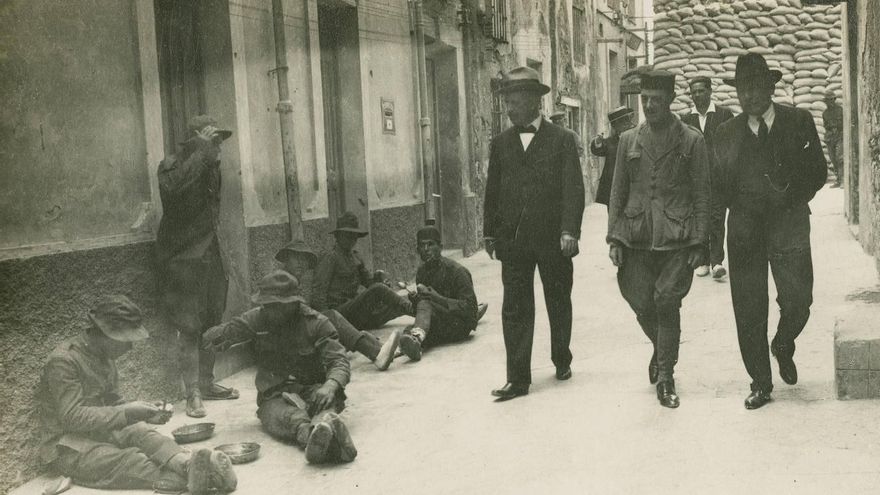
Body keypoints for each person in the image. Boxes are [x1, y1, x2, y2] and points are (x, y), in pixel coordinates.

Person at [714, 53, 827, 410]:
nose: (749, 96)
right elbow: (716, 189)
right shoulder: (725, 134)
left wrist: (791, 196)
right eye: (743, 89)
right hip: (745, 229)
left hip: (789, 223)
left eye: (756, 87)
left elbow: (819, 172)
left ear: (770, 86)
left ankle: (783, 342)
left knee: (799, 300)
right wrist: (714, 242)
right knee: (748, 307)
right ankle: (760, 382)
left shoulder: (798, 121)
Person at [36, 295, 237, 494]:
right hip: (68, 447)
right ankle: (200, 474)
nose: (130, 346)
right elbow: (72, 418)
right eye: (125, 340)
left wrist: (144, 413)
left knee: (142, 432)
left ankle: (186, 463)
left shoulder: (104, 356)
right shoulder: (63, 361)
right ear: (106, 334)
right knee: (129, 460)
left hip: (100, 432)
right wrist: (126, 411)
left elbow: (113, 402)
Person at [607, 70, 710, 409]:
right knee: (638, 298)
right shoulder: (628, 141)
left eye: (656, 100)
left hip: (677, 237)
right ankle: (661, 346)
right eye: (644, 99)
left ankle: (665, 376)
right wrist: (615, 238)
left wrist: (699, 242)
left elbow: (702, 194)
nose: (649, 105)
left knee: (667, 301)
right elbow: (618, 192)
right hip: (637, 236)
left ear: (670, 102)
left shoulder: (691, 140)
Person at [483, 66, 585, 401]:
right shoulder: (500, 144)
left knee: (557, 299)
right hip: (513, 242)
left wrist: (570, 231)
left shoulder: (562, 140)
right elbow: (492, 191)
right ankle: (518, 378)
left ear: (533, 102)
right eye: (507, 102)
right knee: (515, 307)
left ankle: (561, 357)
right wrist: (490, 234)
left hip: (553, 240)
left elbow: (573, 189)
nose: (509, 108)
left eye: (514, 101)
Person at [203, 271, 357, 464]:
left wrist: (330, 385)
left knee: (328, 404)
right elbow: (218, 334)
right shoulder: (258, 318)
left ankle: (322, 429)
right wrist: (219, 338)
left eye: (274, 306)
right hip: (274, 393)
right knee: (283, 416)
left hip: (314, 390)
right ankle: (314, 437)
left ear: (293, 304)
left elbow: (339, 361)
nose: (268, 310)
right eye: (265, 305)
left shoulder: (317, 323)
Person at [155, 115, 239, 418]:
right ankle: (191, 394)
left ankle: (206, 383)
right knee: (189, 327)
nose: (218, 147)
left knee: (212, 323)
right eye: (212, 141)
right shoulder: (171, 166)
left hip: (212, 256)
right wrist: (202, 153)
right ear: (195, 142)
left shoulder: (211, 167)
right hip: (183, 260)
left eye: (217, 142)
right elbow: (174, 194)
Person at [275, 240, 400, 371]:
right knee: (331, 317)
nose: (301, 263)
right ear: (286, 259)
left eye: (304, 259)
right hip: (285, 344)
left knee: (336, 330)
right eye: (296, 258)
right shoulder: (280, 280)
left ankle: (380, 349)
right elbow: (287, 317)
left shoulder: (291, 280)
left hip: (294, 337)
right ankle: (377, 353)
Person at [396, 221, 487, 361]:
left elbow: (471, 310)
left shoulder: (458, 271)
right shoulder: (422, 272)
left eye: (431, 244)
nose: (426, 249)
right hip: (440, 322)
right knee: (410, 330)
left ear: (441, 247)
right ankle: (414, 342)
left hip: (460, 326)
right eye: (422, 245)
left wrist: (437, 298)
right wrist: (415, 301)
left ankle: (414, 340)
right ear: (417, 250)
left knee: (419, 320)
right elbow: (423, 311)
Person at [311, 211, 413, 330]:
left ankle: (424, 313)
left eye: (354, 236)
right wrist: (327, 323)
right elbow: (318, 293)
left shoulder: (355, 257)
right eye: (348, 235)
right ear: (338, 236)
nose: (352, 239)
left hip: (355, 312)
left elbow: (370, 283)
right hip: (339, 313)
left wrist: (378, 278)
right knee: (379, 290)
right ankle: (414, 310)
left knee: (394, 305)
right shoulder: (330, 257)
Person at [682, 76, 736, 279]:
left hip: (718, 178)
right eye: (694, 92)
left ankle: (717, 261)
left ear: (710, 91)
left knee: (716, 217)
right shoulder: (686, 120)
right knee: (698, 218)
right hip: (695, 180)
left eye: (701, 91)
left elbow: (733, 146)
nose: (697, 95)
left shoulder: (724, 115)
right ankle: (702, 260)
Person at [591, 106, 636, 207]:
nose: (629, 124)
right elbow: (598, 150)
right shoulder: (610, 142)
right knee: (614, 217)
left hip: (632, 187)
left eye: (627, 121)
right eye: (614, 125)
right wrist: (597, 142)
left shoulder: (637, 138)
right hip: (612, 187)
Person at [823, 89, 844, 187]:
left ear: (834, 100)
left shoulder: (840, 110)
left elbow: (843, 123)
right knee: (833, 159)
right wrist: (830, 128)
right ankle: (838, 180)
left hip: (839, 136)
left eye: (830, 100)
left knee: (840, 157)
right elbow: (825, 125)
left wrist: (836, 126)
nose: (829, 102)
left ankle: (843, 180)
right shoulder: (825, 113)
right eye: (827, 100)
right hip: (830, 138)